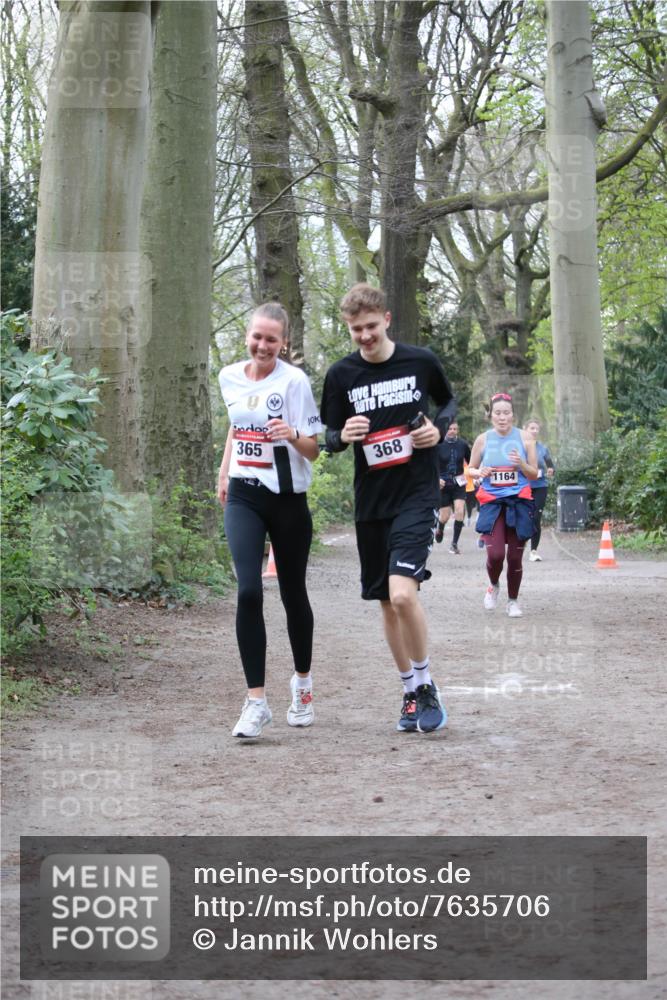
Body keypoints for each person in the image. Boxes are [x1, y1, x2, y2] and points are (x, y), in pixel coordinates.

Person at [321, 283, 456, 734]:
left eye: (371, 326)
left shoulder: (420, 361)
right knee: (386, 603)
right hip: (372, 502)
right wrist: (343, 435)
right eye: (356, 329)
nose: (364, 336)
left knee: (403, 594)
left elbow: (448, 400)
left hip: (417, 493)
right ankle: (409, 690)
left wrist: (437, 430)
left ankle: (427, 684)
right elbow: (329, 436)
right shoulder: (341, 375)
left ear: (387, 320)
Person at [217, 303, 322, 738]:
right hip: (244, 495)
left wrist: (292, 435)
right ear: (248, 335)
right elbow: (236, 426)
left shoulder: (294, 382)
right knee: (248, 590)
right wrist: (224, 472)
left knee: (293, 594)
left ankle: (303, 685)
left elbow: (314, 447)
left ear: (284, 343)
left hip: (288, 499)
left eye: (271, 339)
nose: (263, 346)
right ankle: (256, 702)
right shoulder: (229, 376)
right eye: (257, 337)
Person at [467, 393, 538, 618]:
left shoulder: (526, 438)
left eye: (506, 413)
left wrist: (522, 464)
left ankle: (513, 601)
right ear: (491, 416)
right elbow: (469, 470)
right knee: (496, 554)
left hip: (519, 502)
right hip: (492, 502)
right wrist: (480, 472)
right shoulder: (483, 439)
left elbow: (534, 474)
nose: (502, 417)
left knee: (515, 558)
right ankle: (493, 585)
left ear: (513, 415)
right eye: (497, 413)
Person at [434, 421, 471, 553]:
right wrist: (437, 479)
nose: (452, 431)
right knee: (444, 516)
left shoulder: (462, 444)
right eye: (450, 429)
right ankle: (440, 527)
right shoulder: (438, 445)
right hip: (443, 485)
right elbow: (431, 465)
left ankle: (454, 544)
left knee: (460, 511)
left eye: (455, 429)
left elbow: (471, 461)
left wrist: (476, 474)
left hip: (458, 484)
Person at [523, 418, 555, 561]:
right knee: (524, 518)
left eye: (537, 428)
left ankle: (533, 551)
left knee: (536, 518)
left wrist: (551, 470)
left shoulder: (542, 448)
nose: (535, 431)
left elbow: (551, 466)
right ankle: (521, 541)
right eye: (532, 428)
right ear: (525, 429)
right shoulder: (519, 447)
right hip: (523, 487)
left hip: (540, 486)